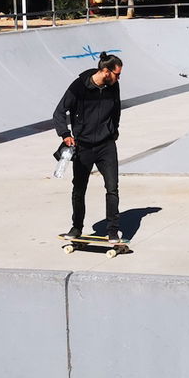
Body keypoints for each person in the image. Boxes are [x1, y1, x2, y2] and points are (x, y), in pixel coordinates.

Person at [52, 54, 124, 239]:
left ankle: (113, 231)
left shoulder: (113, 87)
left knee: (112, 188)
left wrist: (114, 131)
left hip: (106, 145)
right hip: (83, 146)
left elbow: (116, 110)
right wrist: (65, 134)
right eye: (117, 74)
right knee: (79, 188)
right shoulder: (79, 87)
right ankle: (76, 227)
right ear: (106, 72)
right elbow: (59, 112)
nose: (119, 78)